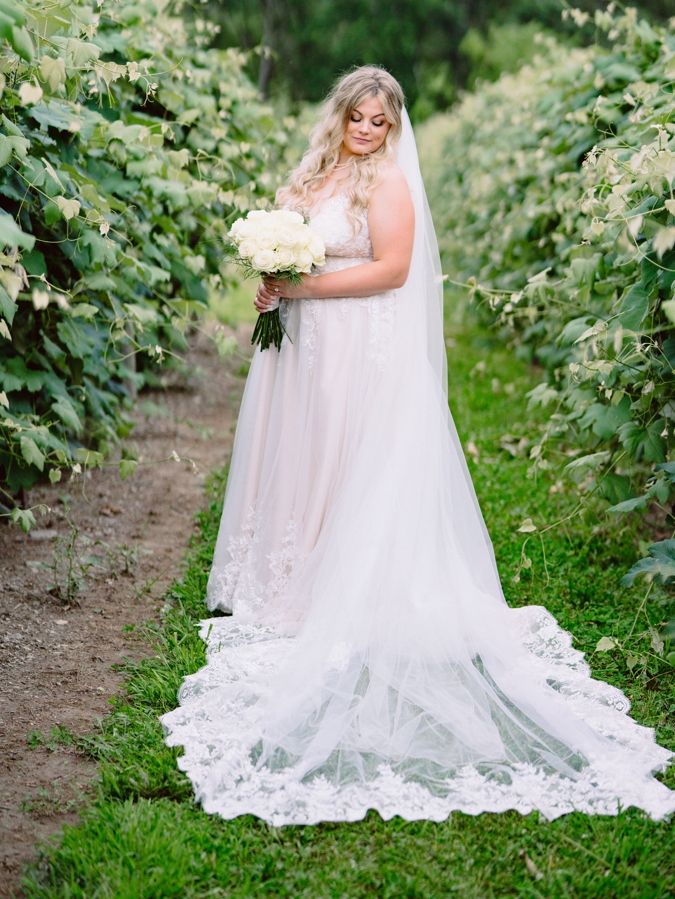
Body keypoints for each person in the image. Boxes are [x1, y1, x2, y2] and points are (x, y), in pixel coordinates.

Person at [161, 66, 675, 825]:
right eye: (357, 117)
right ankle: (289, 572)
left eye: (380, 121)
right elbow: (297, 253)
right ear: (337, 115)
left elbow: (392, 270)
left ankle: (335, 577)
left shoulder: (388, 185)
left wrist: (300, 288)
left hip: (354, 341)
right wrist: (273, 284)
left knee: (344, 451)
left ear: (393, 126)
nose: (366, 131)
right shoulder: (313, 173)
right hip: (304, 341)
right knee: (299, 452)